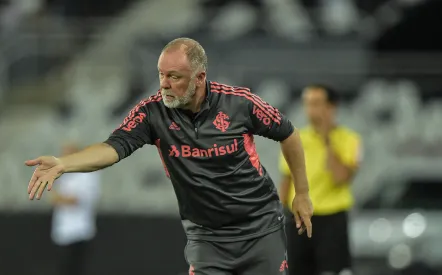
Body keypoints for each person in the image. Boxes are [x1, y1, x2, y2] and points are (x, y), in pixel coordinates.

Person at [26, 37, 313, 275]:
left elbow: (289, 133)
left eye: (174, 77)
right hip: (206, 236)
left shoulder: (239, 103)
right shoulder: (152, 113)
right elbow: (112, 148)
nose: (164, 84)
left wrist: (301, 192)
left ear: (199, 78)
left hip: (258, 227)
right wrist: (65, 163)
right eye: (161, 75)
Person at [278, 84, 362, 275]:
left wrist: (327, 140)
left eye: (316, 103)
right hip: (298, 218)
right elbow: (286, 181)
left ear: (332, 107)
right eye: (307, 104)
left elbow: (341, 177)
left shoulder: (350, 140)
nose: (311, 110)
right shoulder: (294, 138)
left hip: (332, 219)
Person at [50, 142, 101, 275]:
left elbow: (76, 200)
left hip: (79, 232)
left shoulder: (88, 174)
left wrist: (59, 198)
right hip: (63, 232)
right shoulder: (64, 176)